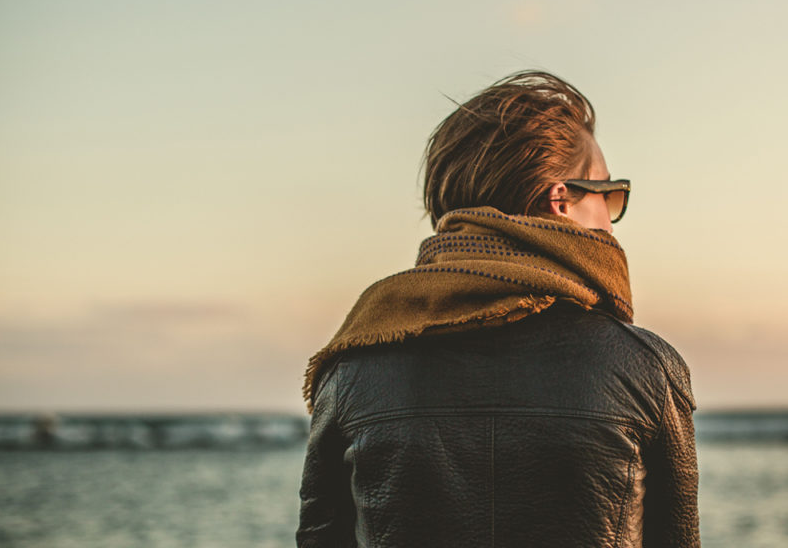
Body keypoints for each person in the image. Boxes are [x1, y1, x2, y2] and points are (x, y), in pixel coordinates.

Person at [297, 71, 699, 547]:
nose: (611, 220)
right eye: (608, 194)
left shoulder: (350, 372)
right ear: (561, 201)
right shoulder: (646, 368)